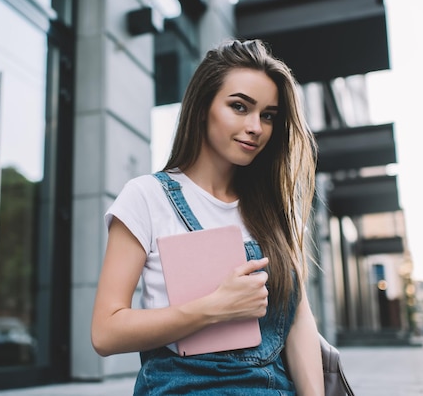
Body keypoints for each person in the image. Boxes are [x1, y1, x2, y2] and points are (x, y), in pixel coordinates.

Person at [91, 39, 324, 395]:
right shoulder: (146, 197)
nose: (256, 127)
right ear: (202, 108)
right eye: (239, 106)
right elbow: (106, 332)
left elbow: (297, 324)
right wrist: (212, 308)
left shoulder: (271, 209)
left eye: (267, 115)